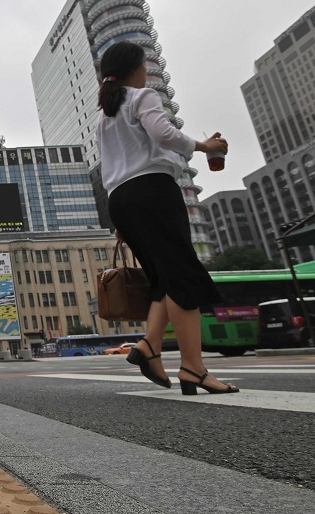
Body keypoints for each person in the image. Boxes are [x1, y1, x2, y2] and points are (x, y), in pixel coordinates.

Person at [94, 41, 238, 396]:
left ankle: (149, 345)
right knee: (183, 277)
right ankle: (194, 369)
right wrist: (206, 146)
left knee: (163, 279)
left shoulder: (103, 117)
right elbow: (163, 134)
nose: (146, 71)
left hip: (121, 200)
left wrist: (121, 222)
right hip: (153, 191)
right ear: (134, 68)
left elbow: (113, 167)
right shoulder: (142, 96)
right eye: (143, 65)